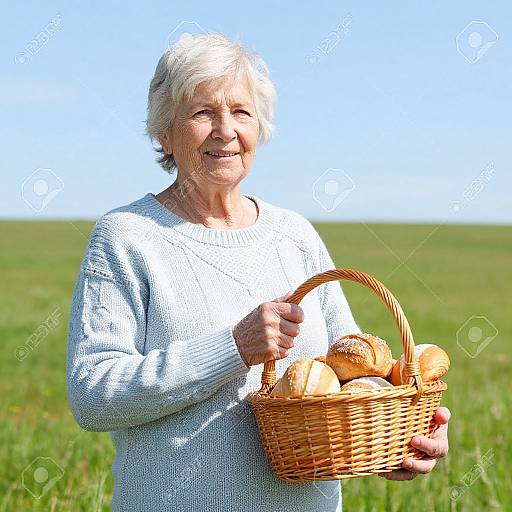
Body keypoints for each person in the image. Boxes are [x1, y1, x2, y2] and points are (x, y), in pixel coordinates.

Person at [66, 33, 450, 512]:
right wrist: (233, 347)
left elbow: (361, 382)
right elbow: (94, 395)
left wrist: (405, 435)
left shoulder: (295, 235)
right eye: (202, 111)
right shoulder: (126, 237)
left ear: (259, 128)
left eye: (241, 112)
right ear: (164, 132)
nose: (225, 129)